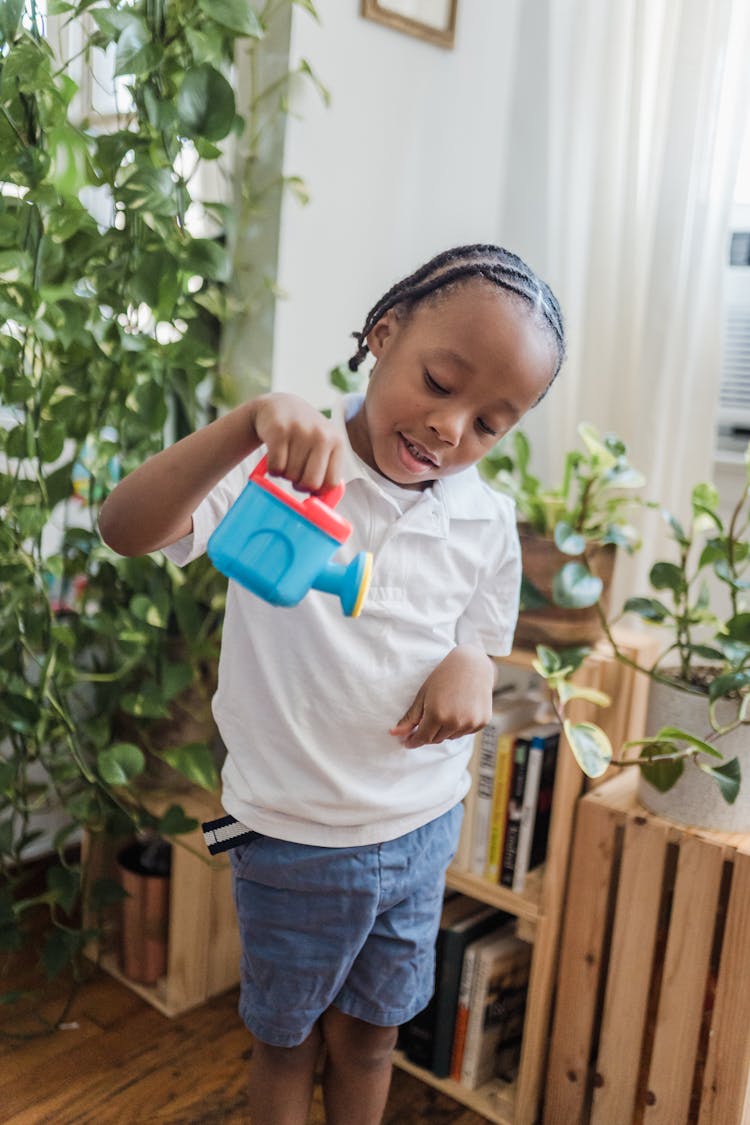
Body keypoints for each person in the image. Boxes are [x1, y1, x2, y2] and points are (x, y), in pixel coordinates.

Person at [98, 243, 565, 1125]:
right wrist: (247, 425)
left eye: (489, 423)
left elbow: (485, 622)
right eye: (437, 380)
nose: (449, 428)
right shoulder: (284, 464)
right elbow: (126, 527)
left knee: (372, 1038)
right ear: (383, 336)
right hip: (293, 834)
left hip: (421, 829)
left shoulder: (485, 516)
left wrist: (472, 658)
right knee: (287, 1039)